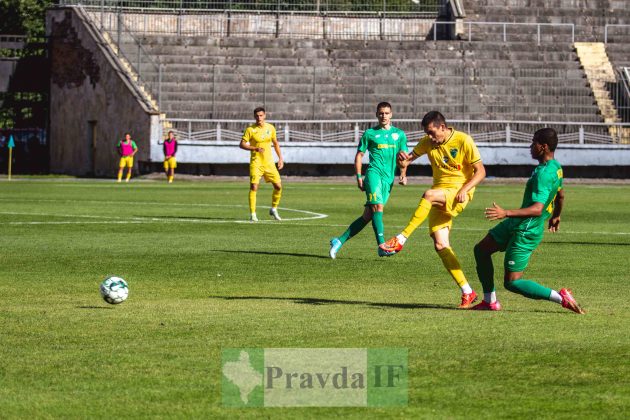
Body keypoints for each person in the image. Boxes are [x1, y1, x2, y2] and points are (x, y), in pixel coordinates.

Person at [470, 128, 584, 313]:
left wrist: (505, 212)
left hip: (527, 230)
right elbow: (561, 195)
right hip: (518, 223)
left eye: (534, 143)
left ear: (543, 146)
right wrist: (556, 215)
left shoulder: (543, 174)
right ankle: (490, 302)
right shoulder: (556, 167)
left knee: (512, 283)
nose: (531, 146)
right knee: (481, 250)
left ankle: (560, 296)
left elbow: (538, 209)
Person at [380, 111, 486, 308]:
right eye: (427, 133)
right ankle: (468, 292)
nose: (429, 137)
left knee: (428, 195)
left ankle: (401, 238)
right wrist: (402, 165)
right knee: (441, 245)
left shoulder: (464, 140)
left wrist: (465, 189)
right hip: (440, 195)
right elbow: (406, 160)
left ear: (442, 128)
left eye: (432, 132)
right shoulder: (427, 142)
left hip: (459, 193)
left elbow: (481, 172)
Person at [329, 101, 408, 259]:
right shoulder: (370, 134)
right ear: (376, 114)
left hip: (388, 179)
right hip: (373, 175)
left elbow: (403, 157)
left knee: (368, 216)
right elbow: (359, 155)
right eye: (381, 113)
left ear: (391, 114)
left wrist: (403, 174)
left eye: (386, 113)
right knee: (378, 207)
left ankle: (339, 240)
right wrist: (359, 177)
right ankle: (382, 245)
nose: (383, 116)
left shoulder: (399, 135)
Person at [239, 107, 284, 221]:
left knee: (278, 187)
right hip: (256, 163)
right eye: (257, 116)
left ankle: (274, 208)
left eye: (261, 115)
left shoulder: (271, 128)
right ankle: (253, 214)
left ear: (265, 116)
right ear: (254, 116)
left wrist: (280, 159)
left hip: (269, 163)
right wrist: (254, 148)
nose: (259, 118)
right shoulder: (250, 129)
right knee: (254, 186)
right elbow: (242, 144)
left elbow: (275, 143)